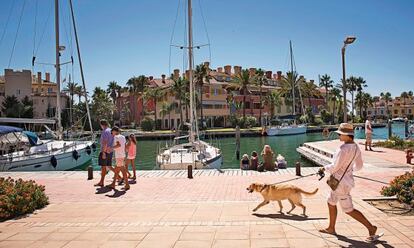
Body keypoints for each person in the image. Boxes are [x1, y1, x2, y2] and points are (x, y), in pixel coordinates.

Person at [319, 123, 381, 242]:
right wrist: (349, 171)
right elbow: (359, 165)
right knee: (331, 202)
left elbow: (334, 167)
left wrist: (323, 168)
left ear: (348, 135)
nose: (339, 136)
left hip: (340, 184)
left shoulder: (343, 149)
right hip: (342, 181)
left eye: (340, 134)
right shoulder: (356, 147)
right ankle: (331, 228)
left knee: (348, 209)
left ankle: (371, 228)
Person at [109, 126, 130, 190]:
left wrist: (111, 148)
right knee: (117, 170)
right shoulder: (123, 137)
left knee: (122, 170)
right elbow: (125, 146)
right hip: (122, 155)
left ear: (114, 131)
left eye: (112, 132)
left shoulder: (116, 137)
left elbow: (118, 145)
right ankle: (113, 184)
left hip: (119, 156)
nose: (112, 133)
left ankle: (127, 185)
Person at [95, 119, 115, 187]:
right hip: (110, 151)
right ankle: (119, 177)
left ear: (101, 125)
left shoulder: (105, 131)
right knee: (109, 166)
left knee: (103, 167)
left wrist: (103, 152)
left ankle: (101, 182)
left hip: (105, 151)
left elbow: (105, 142)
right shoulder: (110, 130)